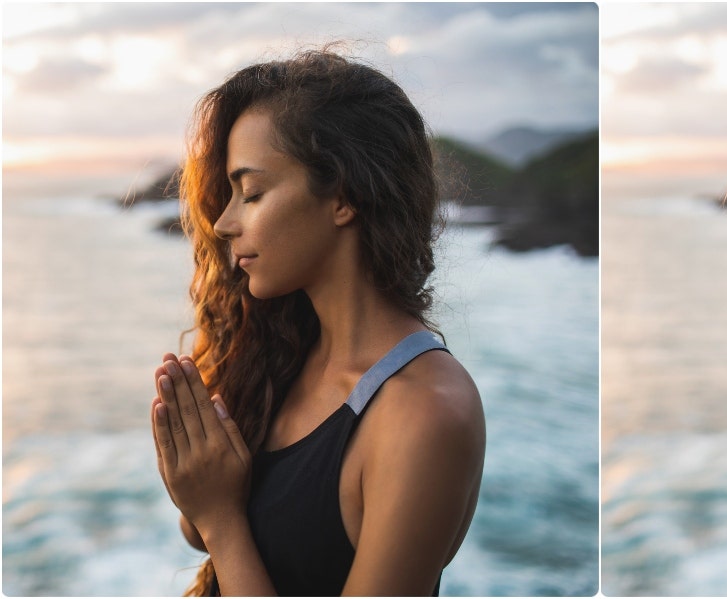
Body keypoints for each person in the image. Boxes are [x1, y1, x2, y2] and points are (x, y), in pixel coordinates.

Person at [149, 49, 486, 596]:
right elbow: (202, 530)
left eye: (252, 192)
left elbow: (220, 528)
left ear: (344, 197)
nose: (224, 222)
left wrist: (221, 519)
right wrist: (198, 480)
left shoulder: (425, 414)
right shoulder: (280, 349)